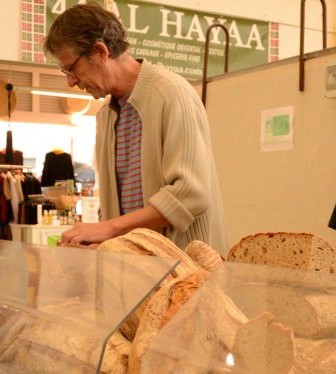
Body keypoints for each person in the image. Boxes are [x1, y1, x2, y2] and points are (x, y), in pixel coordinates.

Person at [44, 4, 226, 253]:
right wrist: (104, 240)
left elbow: (190, 194)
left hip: (187, 270)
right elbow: (125, 213)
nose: (71, 81)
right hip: (140, 270)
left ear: (100, 52)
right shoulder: (106, 116)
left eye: (72, 68)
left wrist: (109, 228)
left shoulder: (171, 94)